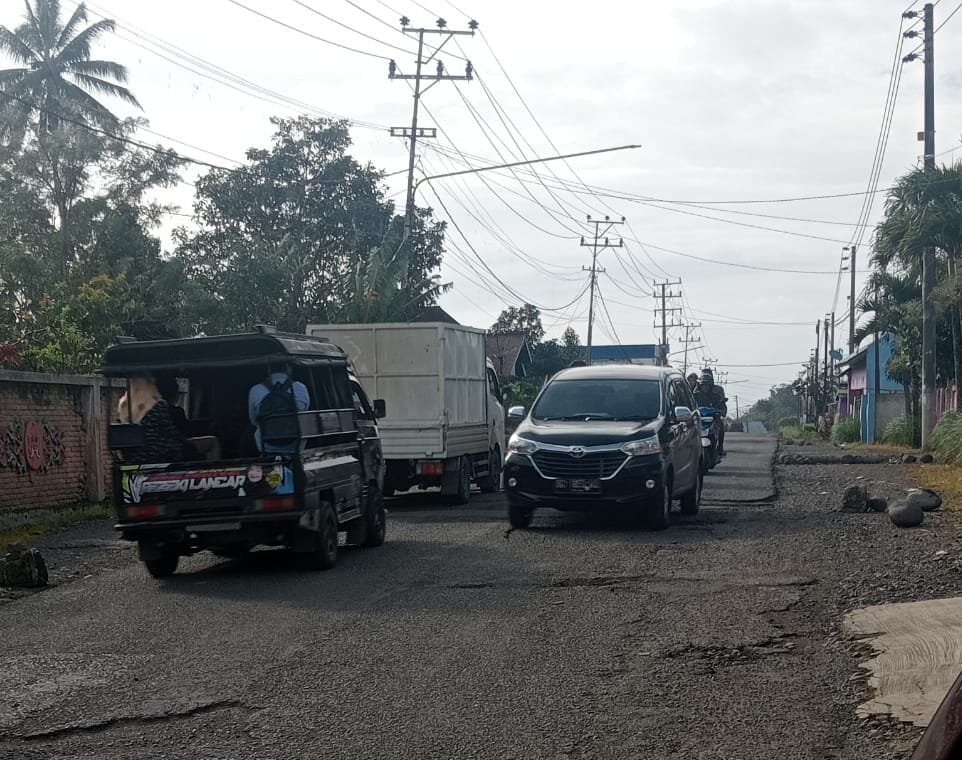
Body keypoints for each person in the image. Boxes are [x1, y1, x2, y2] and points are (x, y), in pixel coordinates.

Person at [117, 376, 184, 464]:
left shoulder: (126, 407)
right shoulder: (159, 405)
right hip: (158, 457)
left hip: (134, 459)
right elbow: (171, 434)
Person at [248, 366, 310, 454]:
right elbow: (304, 416)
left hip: (266, 445)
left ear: (268, 369)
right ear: (289, 368)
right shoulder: (301, 388)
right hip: (296, 444)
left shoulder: (255, 390)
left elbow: (253, 421)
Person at [694, 369, 728, 457]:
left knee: (720, 425)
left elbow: (723, 407)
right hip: (699, 419)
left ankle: (720, 447)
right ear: (700, 385)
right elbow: (690, 406)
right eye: (703, 385)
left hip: (712, 419)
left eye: (707, 385)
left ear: (710, 385)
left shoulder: (716, 395)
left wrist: (721, 411)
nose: (705, 387)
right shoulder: (695, 395)